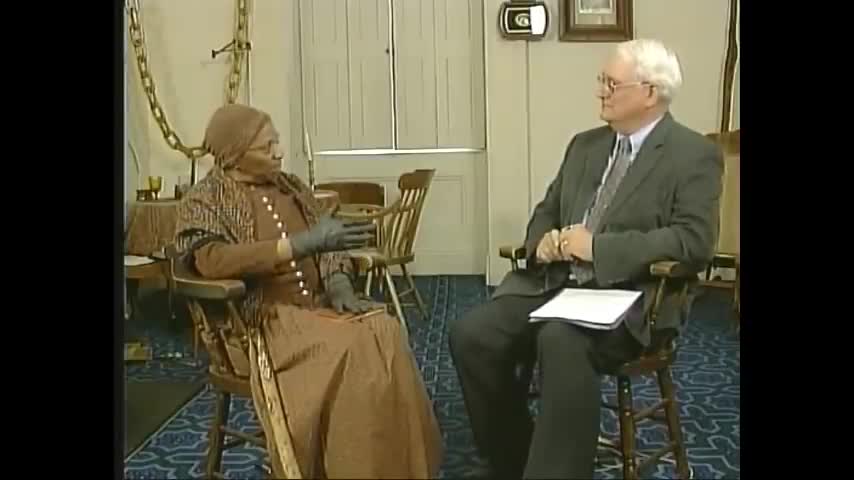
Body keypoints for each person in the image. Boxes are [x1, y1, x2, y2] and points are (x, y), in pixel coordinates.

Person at [449, 39, 723, 479]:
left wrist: (597, 248)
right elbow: (548, 210)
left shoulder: (693, 154)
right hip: (556, 285)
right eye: (602, 81)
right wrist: (541, 242)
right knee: (473, 334)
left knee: (560, 338)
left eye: (612, 83)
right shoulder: (585, 145)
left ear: (650, 92)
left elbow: (694, 241)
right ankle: (514, 460)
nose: (600, 91)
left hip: (632, 299)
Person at [174, 104, 442, 479]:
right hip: (263, 322)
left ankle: (398, 468)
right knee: (353, 349)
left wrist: (337, 283)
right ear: (234, 155)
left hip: (317, 309)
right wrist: (297, 245)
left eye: (277, 142)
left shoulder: (292, 186)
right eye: (267, 148)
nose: (279, 152)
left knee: (385, 330)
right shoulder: (205, 200)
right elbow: (211, 261)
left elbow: (327, 243)